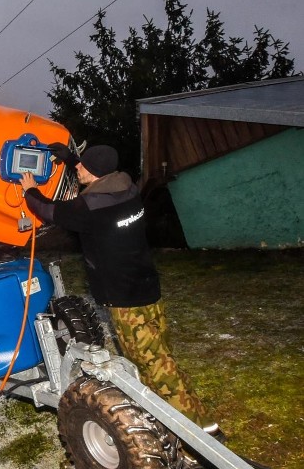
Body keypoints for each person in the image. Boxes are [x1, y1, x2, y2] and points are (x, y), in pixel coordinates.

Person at [19, 143, 224, 441]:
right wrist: (70, 158)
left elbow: (49, 210)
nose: (78, 169)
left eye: (82, 167)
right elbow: (95, 171)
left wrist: (30, 191)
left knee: (154, 365)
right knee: (161, 355)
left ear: (97, 173)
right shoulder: (128, 190)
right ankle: (167, 414)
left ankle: (204, 434)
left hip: (125, 298)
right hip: (147, 288)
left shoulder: (90, 208)